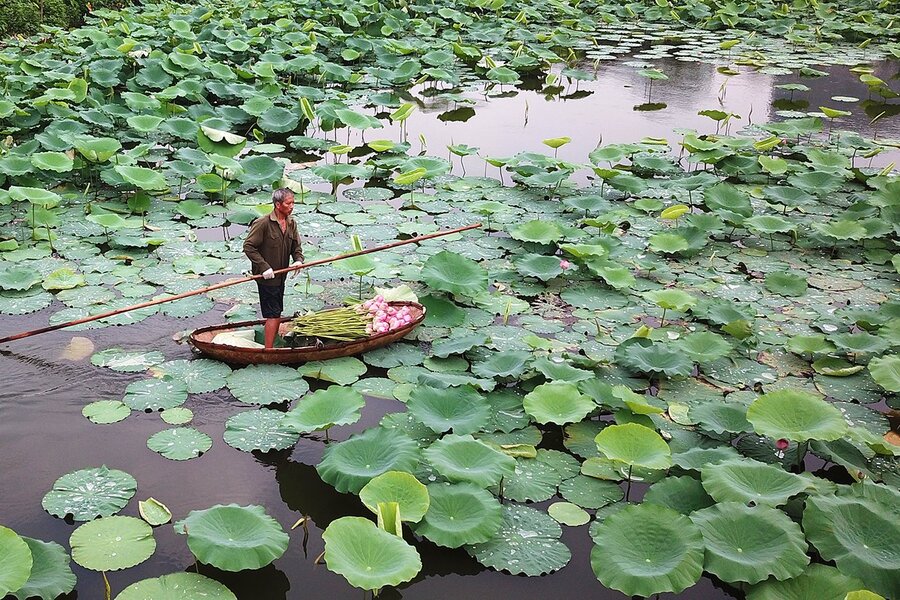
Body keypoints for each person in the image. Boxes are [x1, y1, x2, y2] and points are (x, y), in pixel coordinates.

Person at [243, 188, 304, 348]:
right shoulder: (263, 224)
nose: (292, 206)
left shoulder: (291, 223)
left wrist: (298, 260)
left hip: (280, 276)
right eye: (288, 203)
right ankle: (269, 350)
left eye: (293, 203)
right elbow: (249, 246)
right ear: (278, 204)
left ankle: (272, 342)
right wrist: (264, 267)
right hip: (267, 278)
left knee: (277, 310)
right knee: (273, 313)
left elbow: (296, 246)